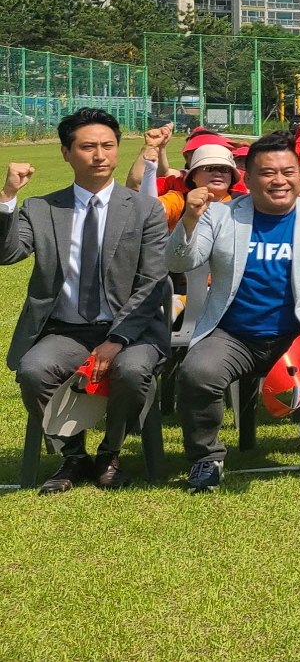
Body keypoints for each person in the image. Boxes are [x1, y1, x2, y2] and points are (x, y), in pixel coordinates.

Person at [170, 132, 300, 491]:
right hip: (234, 334)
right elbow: (179, 260)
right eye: (267, 173)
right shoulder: (219, 215)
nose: (279, 180)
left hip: (299, 335)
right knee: (198, 372)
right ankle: (206, 459)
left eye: (288, 171)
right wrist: (190, 221)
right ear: (249, 177)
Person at [2, 109, 171, 493]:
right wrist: (8, 196)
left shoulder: (145, 209)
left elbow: (152, 282)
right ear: (66, 153)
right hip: (67, 330)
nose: (100, 156)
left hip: (133, 330)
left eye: (108, 146)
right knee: (34, 370)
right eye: (88, 147)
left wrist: (117, 340)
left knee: (130, 371)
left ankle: (110, 453)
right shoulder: (41, 208)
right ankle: (73, 455)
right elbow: (7, 253)